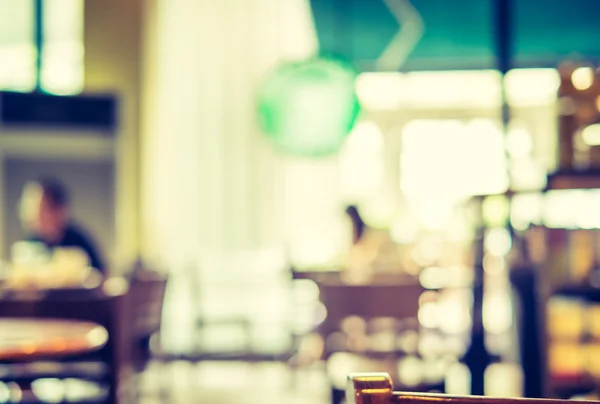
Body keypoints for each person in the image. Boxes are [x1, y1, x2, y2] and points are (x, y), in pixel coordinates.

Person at [18, 177, 106, 274]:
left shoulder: (78, 242)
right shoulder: (31, 243)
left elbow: (102, 272)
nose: (31, 214)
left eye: (40, 208)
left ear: (59, 210)